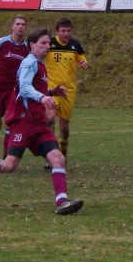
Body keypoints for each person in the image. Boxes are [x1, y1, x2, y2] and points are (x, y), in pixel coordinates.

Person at [0, 28, 84, 215]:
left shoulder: (39, 64)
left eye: (48, 43)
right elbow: (24, 88)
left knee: (58, 159)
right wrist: (42, 98)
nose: (48, 46)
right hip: (23, 122)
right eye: (44, 43)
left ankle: (62, 202)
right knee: (9, 165)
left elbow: (32, 89)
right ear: (32, 45)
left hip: (37, 124)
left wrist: (50, 93)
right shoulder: (29, 62)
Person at [41, 17, 89, 170]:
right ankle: (50, 157)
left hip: (69, 91)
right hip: (52, 88)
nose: (66, 34)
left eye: (68, 31)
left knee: (65, 128)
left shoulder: (75, 45)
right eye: (63, 31)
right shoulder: (50, 44)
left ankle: (63, 155)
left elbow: (82, 58)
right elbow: (38, 54)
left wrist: (83, 62)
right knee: (49, 119)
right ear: (56, 31)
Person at [0, 15, 29, 158]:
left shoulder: (27, 49)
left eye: (23, 24)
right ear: (12, 26)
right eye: (18, 24)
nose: (21, 27)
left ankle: (6, 154)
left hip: (13, 91)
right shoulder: (1, 43)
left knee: (11, 122)